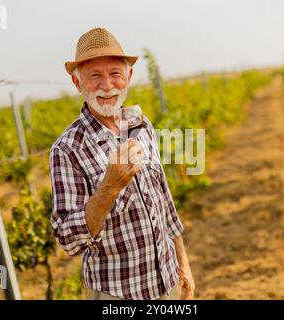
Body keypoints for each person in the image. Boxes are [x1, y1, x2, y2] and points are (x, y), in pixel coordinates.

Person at [49, 27, 194, 300]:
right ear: (77, 83)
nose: (107, 85)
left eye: (115, 73)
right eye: (95, 76)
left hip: (167, 283)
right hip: (117, 294)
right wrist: (109, 187)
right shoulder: (67, 149)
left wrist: (182, 264)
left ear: (128, 77)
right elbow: (68, 240)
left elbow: (164, 201)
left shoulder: (140, 124)